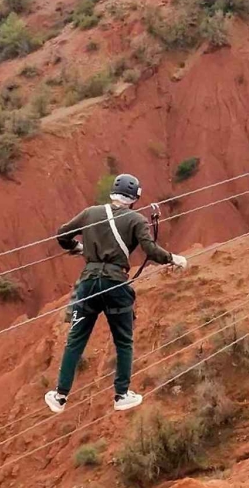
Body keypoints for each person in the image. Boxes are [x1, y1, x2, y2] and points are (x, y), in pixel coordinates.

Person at [45, 173, 188, 415]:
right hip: (115, 283)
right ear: (135, 197)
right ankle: (121, 395)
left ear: (113, 192)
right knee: (123, 341)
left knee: (75, 341)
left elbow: (62, 235)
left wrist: (79, 248)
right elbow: (150, 250)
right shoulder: (137, 220)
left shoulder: (90, 213)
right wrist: (173, 258)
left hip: (88, 283)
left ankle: (60, 396)